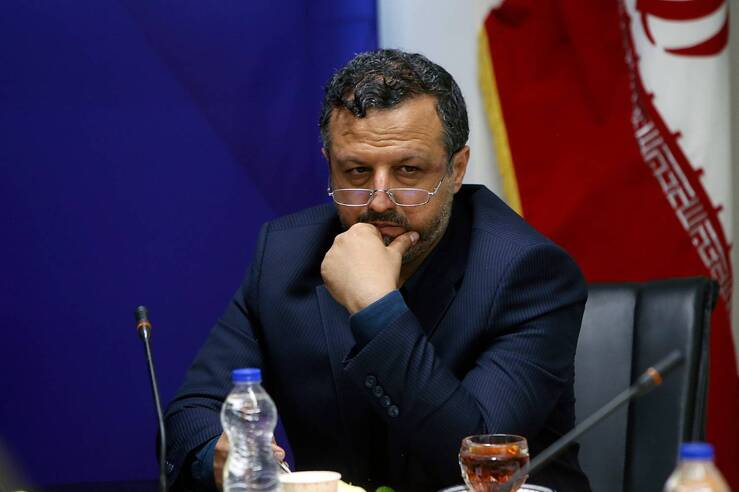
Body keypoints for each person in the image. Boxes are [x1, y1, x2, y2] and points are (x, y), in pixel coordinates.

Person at [164, 49, 591, 492]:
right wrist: (221, 452)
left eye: (408, 170)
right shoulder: (285, 255)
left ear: (456, 169)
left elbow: (476, 465)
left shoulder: (528, 273)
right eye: (357, 171)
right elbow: (192, 414)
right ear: (330, 165)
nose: (380, 200)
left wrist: (376, 308)